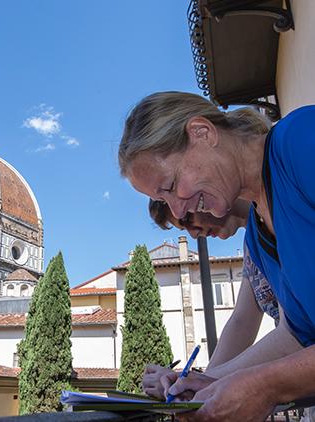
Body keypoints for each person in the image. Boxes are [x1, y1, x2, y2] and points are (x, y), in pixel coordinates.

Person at [118, 91, 315, 421]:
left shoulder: (300, 139)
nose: (179, 209)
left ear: (202, 133)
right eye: (164, 201)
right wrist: (208, 382)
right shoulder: (258, 233)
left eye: (171, 185)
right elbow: (295, 337)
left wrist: (266, 385)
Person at [143, 200, 301, 400]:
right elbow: (241, 322)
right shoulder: (253, 244)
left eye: (187, 218)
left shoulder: (281, 212)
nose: (193, 233)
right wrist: (196, 385)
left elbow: (295, 333)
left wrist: (203, 381)